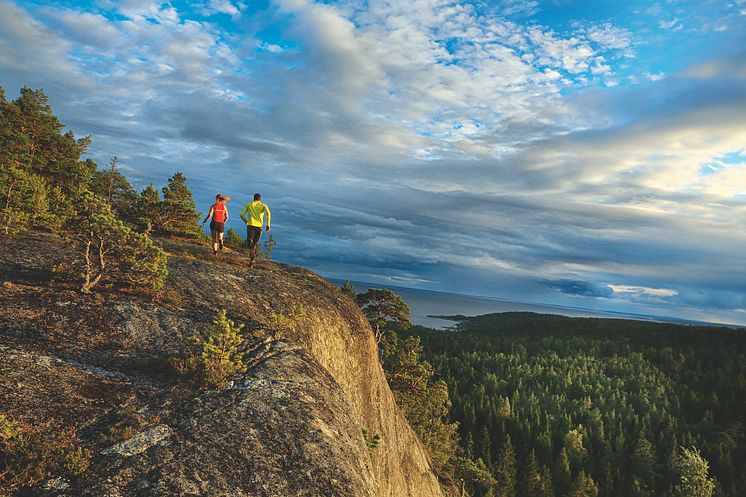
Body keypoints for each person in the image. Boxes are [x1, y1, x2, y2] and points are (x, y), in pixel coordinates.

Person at [240, 193, 271, 267]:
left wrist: (246, 221)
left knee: (250, 244)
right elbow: (268, 214)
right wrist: (268, 224)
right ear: (260, 199)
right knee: (254, 243)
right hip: (259, 228)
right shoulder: (263, 206)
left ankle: (251, 259)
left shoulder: (249, 205)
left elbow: (241, 214)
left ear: (253, 198)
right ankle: (253, 257)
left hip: (250, 226)